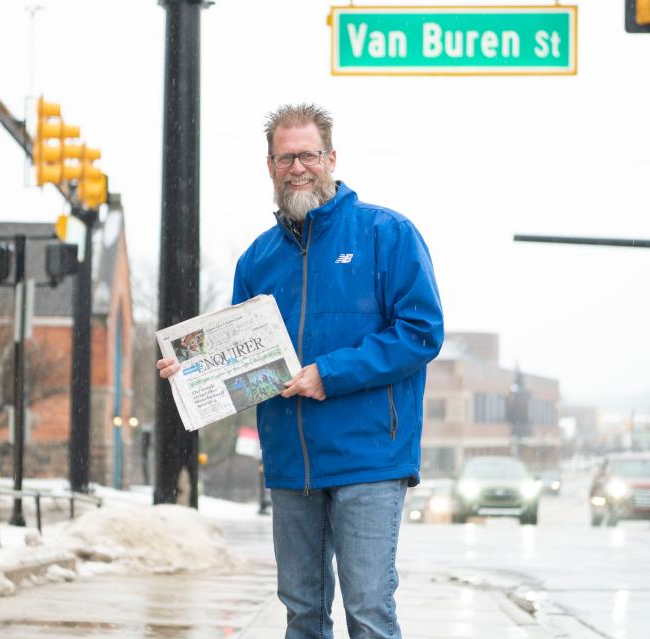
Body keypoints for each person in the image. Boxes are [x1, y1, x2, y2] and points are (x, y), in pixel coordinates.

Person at [158, 103, 443, 639]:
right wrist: (190, 369)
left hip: (370, 459)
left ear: (331, 157)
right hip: (292, 464)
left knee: (369, 612)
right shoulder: (258, 260)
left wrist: (328, 374)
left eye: (307, 155)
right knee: (303, 616)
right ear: (269, 166)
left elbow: (421, 333)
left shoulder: (388, 234)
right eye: (284, 157)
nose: (297, 167)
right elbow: (241, 359)